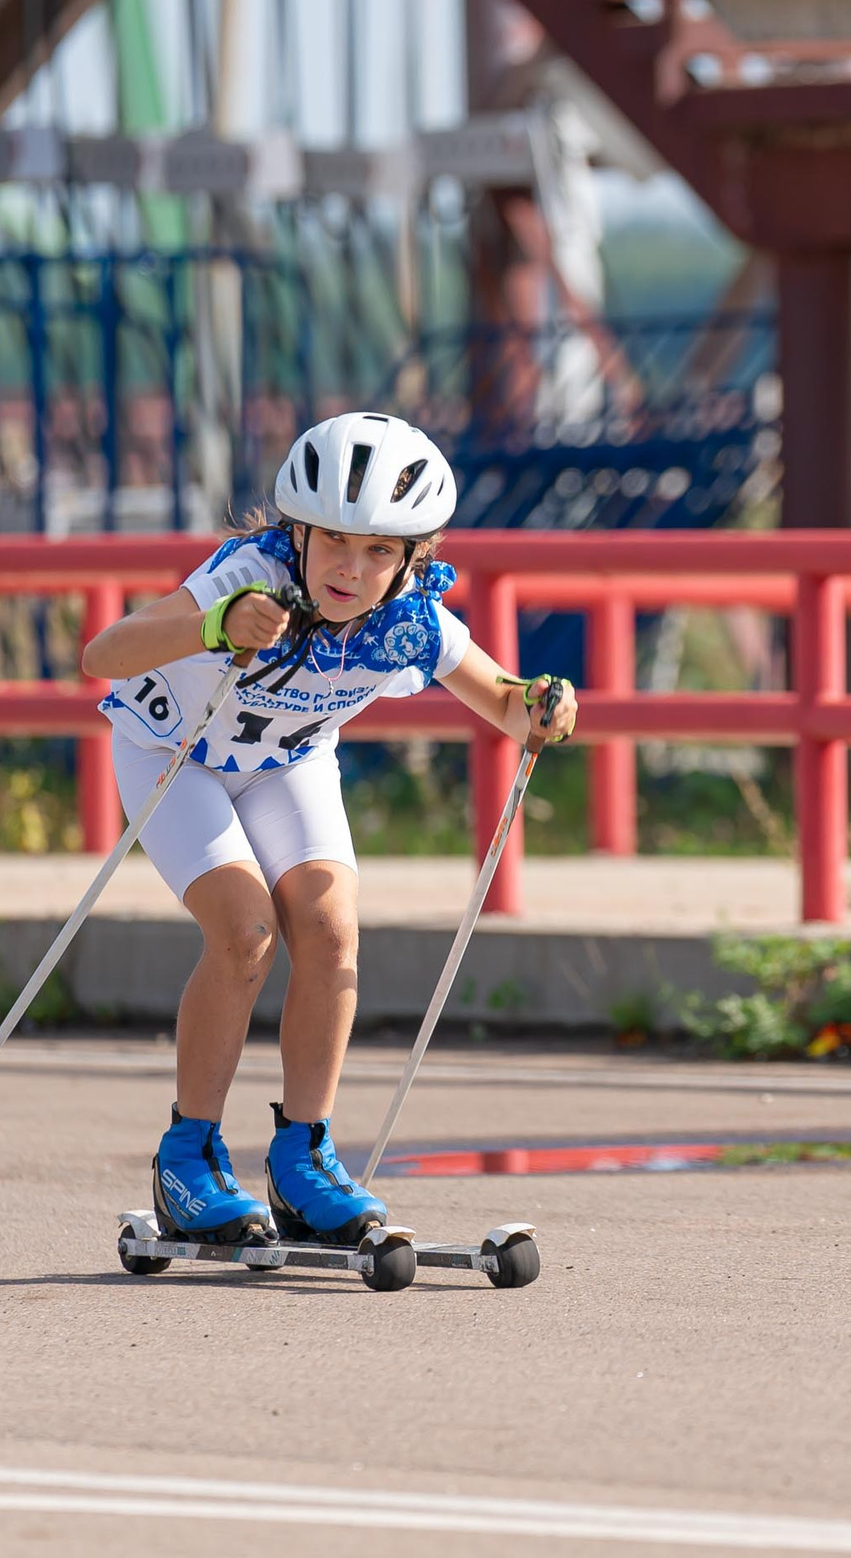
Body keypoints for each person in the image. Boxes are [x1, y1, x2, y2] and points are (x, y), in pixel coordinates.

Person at [80, 411, 579, 1248]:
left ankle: (300, 1157)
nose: (353, 569)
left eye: (380, 550)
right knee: (245, 932)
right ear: (299, 531)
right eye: (335, 542)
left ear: (411, 557)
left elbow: (503, 697)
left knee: (329, 927)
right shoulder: (250, 576)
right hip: (176, 751)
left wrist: (541, 703)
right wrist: (214, 625)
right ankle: (188, 1159)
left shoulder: (410, 617)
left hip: (287, 761)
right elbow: (104, 652)